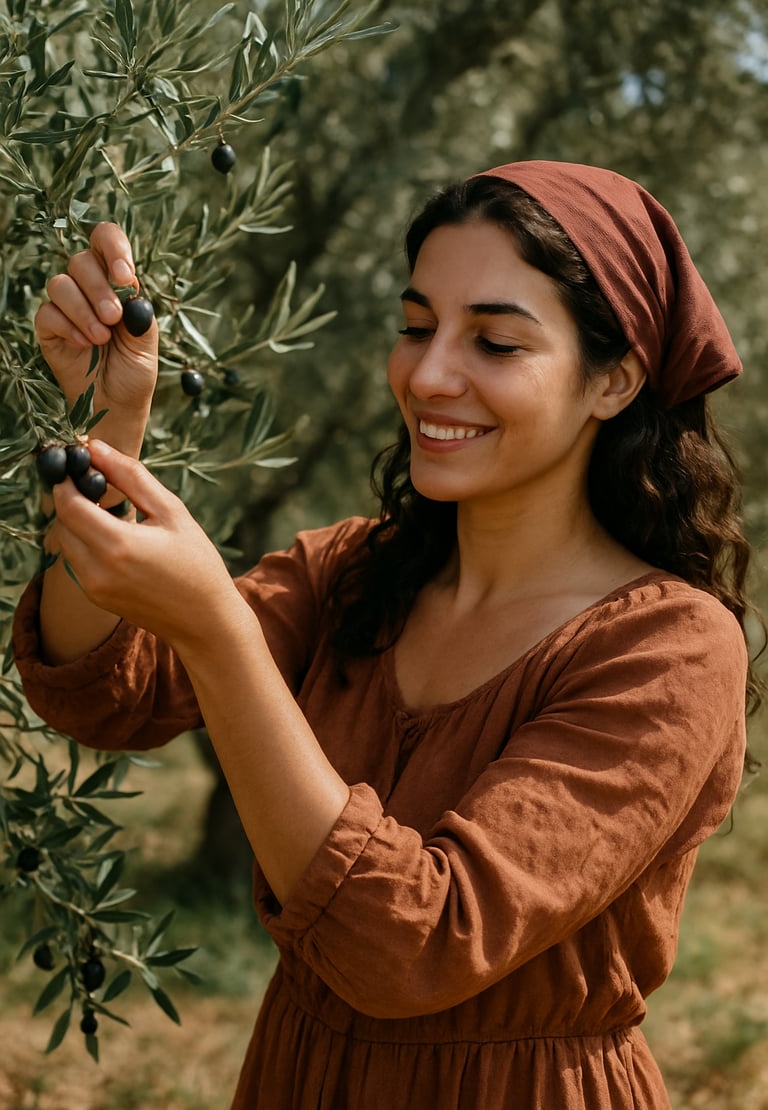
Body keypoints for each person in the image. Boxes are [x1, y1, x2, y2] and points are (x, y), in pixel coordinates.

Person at [13, 160, 760, 1110]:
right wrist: (113, 427)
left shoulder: (670, 648)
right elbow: (101, 688)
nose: (429, 374)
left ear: (613, 379)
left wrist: (217, 634)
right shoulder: (357, 572)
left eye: (494, 342)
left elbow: (417, 944)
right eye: (415, 328)